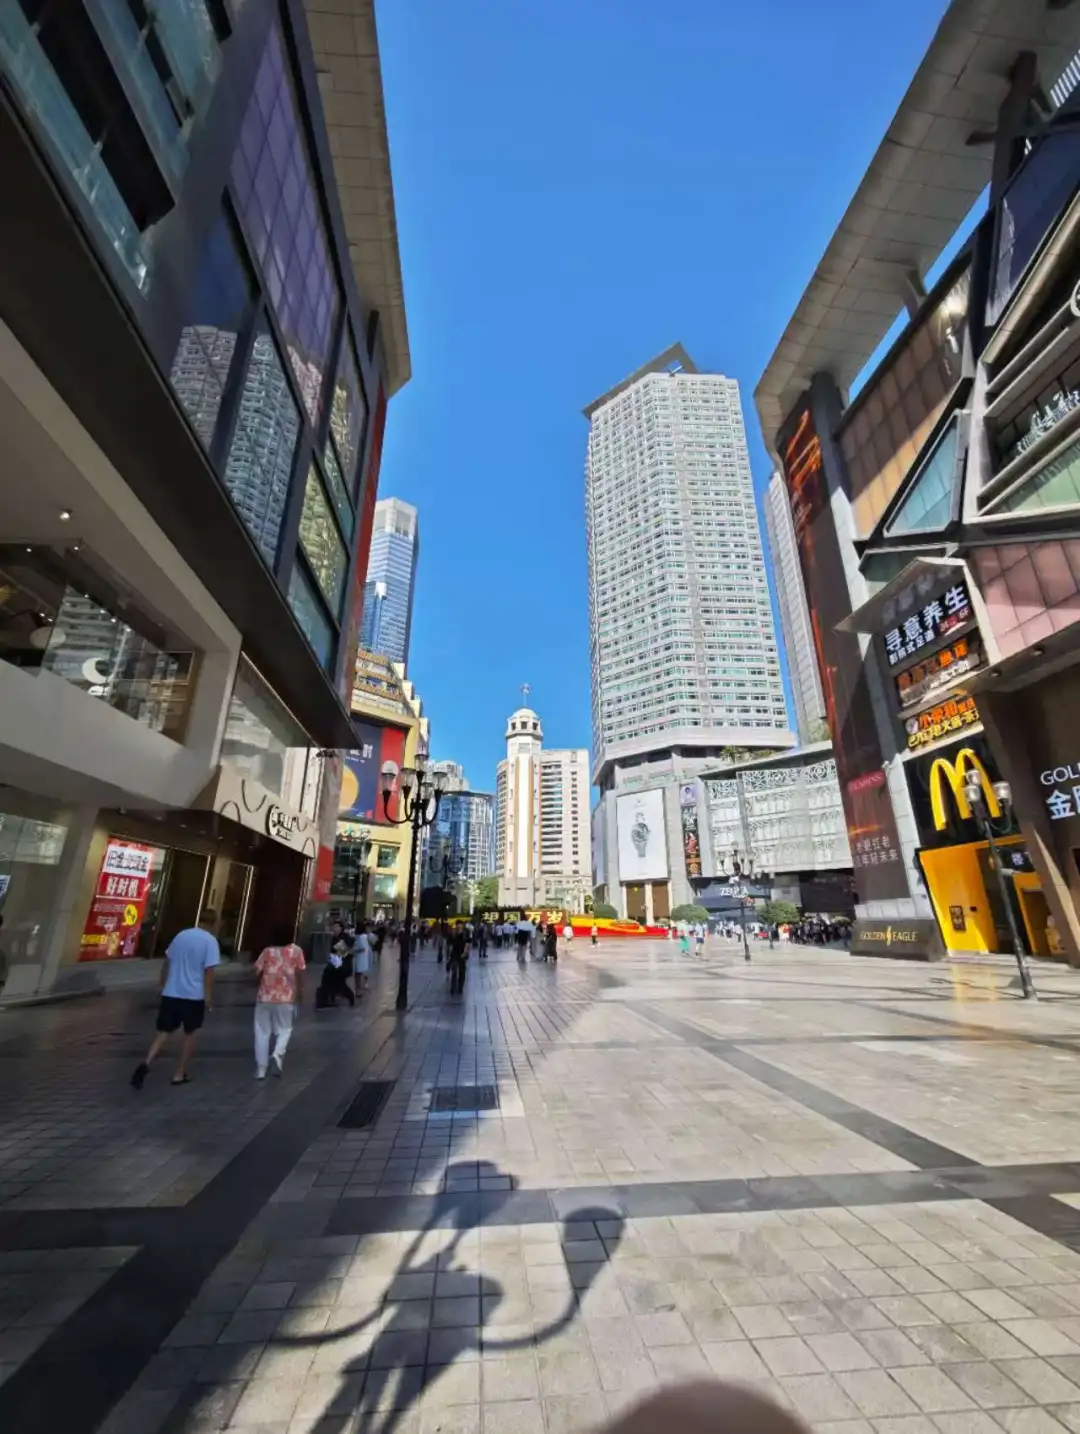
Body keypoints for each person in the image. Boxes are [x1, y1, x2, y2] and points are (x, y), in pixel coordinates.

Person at [131, 911, 220, 1089]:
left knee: (163, 1032)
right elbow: (209, 973)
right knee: (190, 1034)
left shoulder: (181, 936)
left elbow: (167, 962)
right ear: (213, 923)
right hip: (193, 995)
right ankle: (179, 1073)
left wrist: (163, 984)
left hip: (171, 992)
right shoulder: (210, 941)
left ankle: (146, 1062)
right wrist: (209, 997)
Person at [252, 924, 306, 1079]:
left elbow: (256, 971)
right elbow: (300, 973)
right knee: (285, 1028)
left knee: (261, 1031)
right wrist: (300, 992)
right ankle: (278, 1053)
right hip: (286, 997)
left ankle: (261, 1069)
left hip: (265, 997)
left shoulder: (267, 951)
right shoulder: (296, 951)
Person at [318, 921, 355, 1007]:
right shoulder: (334, 938)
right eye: (333, 927)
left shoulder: (345, 938)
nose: (334, 929)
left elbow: (346, 953)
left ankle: (348, 996)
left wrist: (341, 952)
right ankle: (327, 998)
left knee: (338, 981)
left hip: (343, 965)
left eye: (336, 927)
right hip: (335, 964)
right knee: (329, 977)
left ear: (341, 928)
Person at [352, 920, 372, 995]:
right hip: (362, 957)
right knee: (359, 974)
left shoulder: (361, 937)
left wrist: (353, 951)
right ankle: (358, 989)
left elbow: (362, 948)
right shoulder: (364, 936)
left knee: (358, 974)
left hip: (360, 958)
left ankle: (358, 990)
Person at [447, 924, 468, 995]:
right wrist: (448, 955)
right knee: (454, 972)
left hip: (462, 956)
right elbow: (449, 945)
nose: (459, 929)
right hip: (454, 955)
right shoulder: (453, 935)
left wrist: (465, 953)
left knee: (462, 972)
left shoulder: (465, 935)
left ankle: (460, 987)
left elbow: (467, 945)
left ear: (462, 929)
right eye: (458, 928)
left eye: (460, 928)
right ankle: (453, 987)